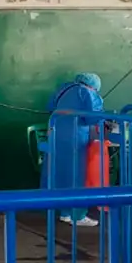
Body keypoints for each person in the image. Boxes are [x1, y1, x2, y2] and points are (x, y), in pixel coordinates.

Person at [46, 73, 104, 227]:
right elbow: (93, 117)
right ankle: (76, 215)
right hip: (75, 136)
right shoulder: (88, 93)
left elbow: (50, 106)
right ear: (94, 86)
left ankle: (64, 212)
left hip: (56, 133)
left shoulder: (63, 89)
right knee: (76, 174)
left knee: (60, 172)